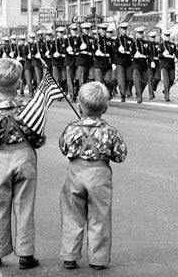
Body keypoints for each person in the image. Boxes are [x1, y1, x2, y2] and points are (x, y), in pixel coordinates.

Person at [0, 58, 44, 270]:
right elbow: (39, 139)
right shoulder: (29, 108)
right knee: (25, 207)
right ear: (19, 83)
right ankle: (26, 254)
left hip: (0, 159)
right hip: (25, 156)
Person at [58, 82, 127, 270]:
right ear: (105, 108)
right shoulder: (110, 131)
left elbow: (63, 147)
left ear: (79, 106)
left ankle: (70, 255)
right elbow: (120, 155)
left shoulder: (71, 128)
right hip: (100, 173)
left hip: (75, 172)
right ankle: (98, 258)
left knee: (72, 213)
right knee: (100, 215)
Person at [158, 30, 176, 102]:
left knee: (172, 79)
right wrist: (163, 54)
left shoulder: (173, 44)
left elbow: (176, 53)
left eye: (168, 36)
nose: (167, 37)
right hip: (164, 64)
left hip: (171, 64)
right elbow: (158, 55)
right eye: (166, 36)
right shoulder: (161, 45)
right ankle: (167, 96)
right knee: (166, 81)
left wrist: (176, 55)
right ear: (164, 36)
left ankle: (165, 90)